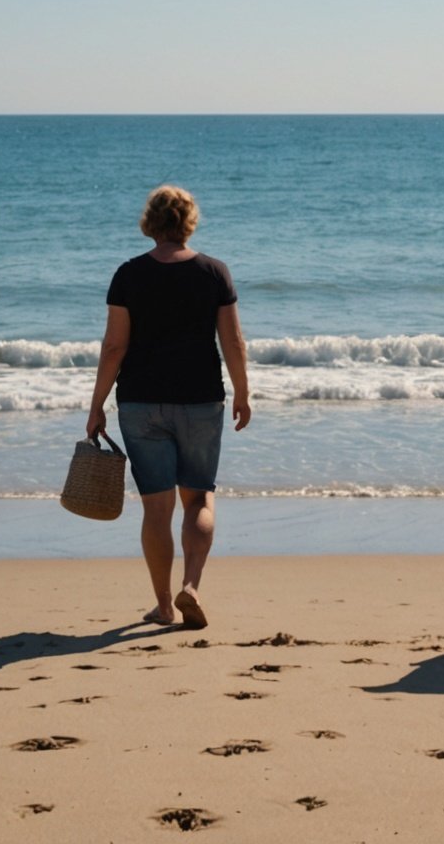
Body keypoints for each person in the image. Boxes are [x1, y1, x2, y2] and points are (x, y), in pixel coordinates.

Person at [86, 185, 252, 631]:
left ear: (150, 222)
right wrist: (242, 392)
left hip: (141, 402)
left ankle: (163, 606)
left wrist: (96, 404)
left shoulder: (128, 275)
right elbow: (232, 342)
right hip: (201, 401)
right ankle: (192, 587)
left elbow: (114, 346)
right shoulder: (215, 272)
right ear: (189, 220)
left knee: (156, 509)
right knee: (198, 497)